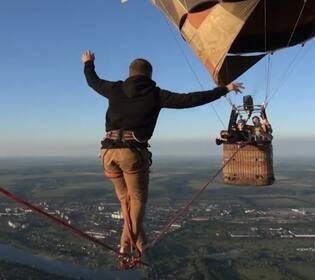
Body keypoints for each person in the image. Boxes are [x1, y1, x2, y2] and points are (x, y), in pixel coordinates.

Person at [81, 50, 244, 266]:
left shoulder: (115, 89)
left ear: (130, 74)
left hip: (107, 152)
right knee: (137, 199)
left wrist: (88, 63)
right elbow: (191, 100)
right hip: (132, 153)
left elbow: (93, 82)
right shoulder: (155, 94)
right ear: (149, 75)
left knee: (125, 200)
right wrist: (224, 90)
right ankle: (125, 248)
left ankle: (140, 242)